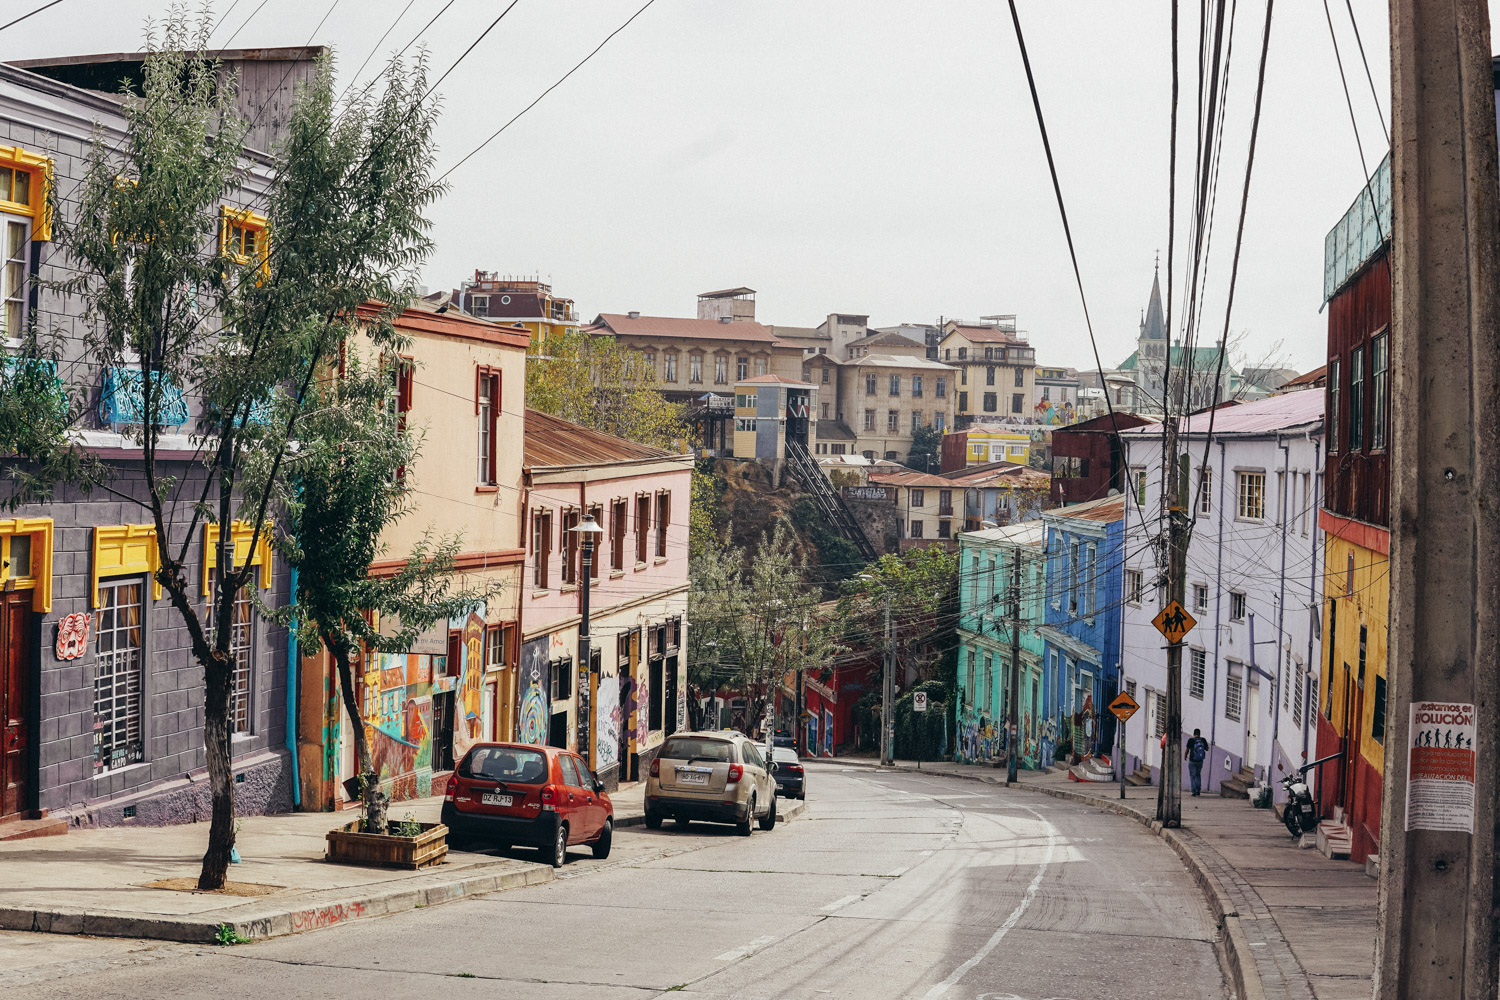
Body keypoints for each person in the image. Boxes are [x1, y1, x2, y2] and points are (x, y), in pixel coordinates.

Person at [1184, 729, 1209, 796]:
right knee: (1198, 775)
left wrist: (1185, 756)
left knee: (1192, 776)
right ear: (1199, 734)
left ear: (1194, 734)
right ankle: (1198, 790)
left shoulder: (1191, 740)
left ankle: (1193, 791)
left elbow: (1187, 750)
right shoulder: (1203, 740)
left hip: (1192, 760)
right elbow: (1206, 749)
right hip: (1200, 761)